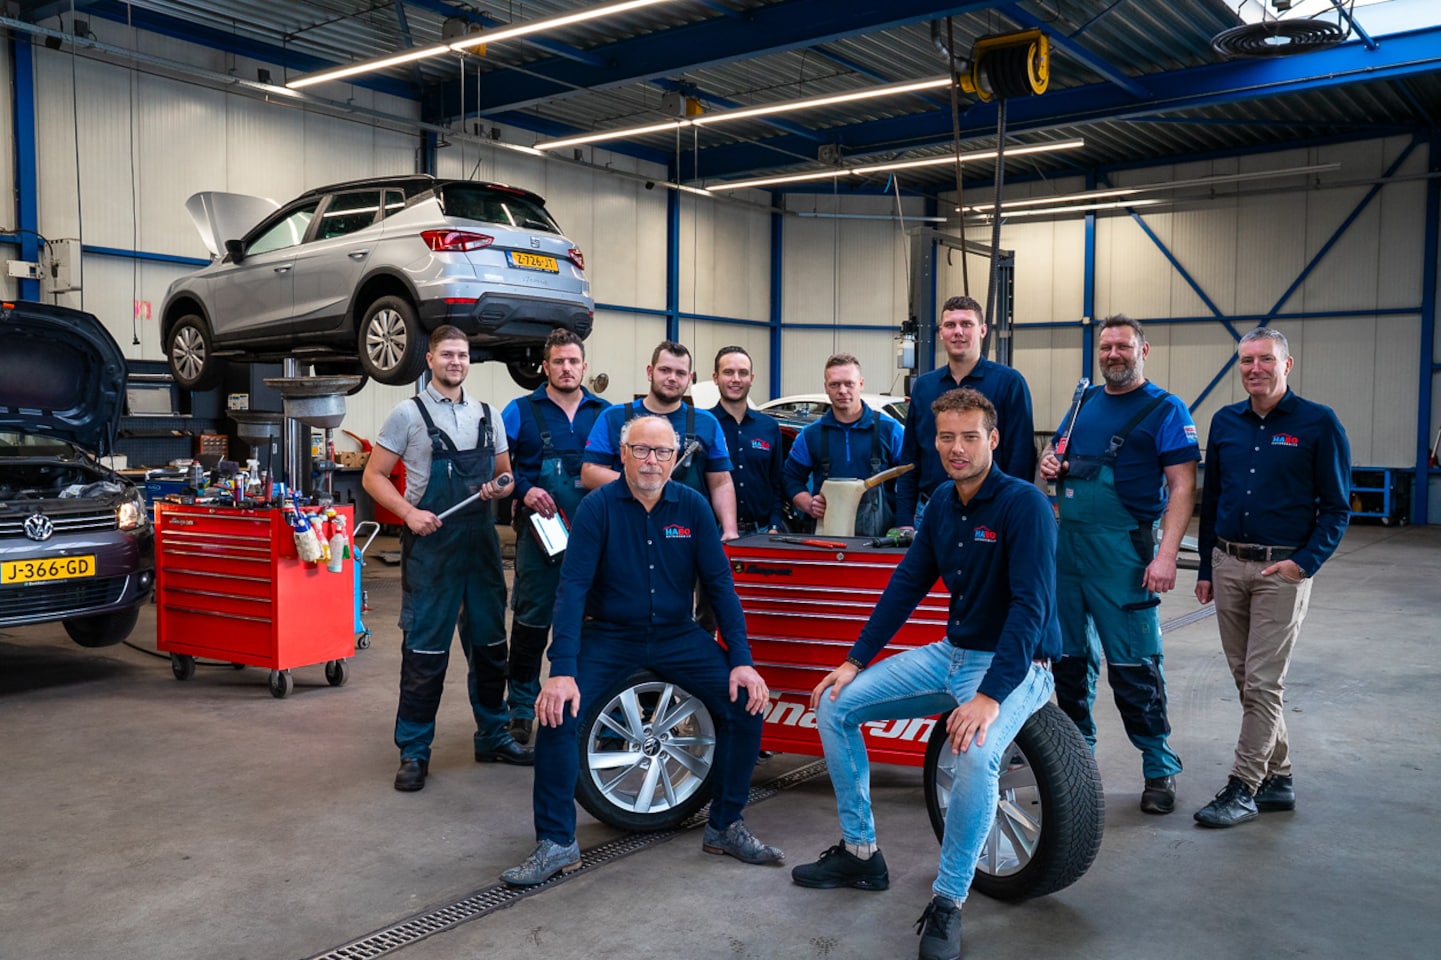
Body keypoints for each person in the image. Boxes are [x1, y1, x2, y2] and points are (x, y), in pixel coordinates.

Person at [791, 388, 1059, 960]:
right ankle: (861, 853)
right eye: (946, 437)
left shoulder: (1025, 506)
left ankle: (948, 900)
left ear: (993, 439)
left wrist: (989, 697)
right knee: (835, 705)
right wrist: (855, 660)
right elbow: (907, 583)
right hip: (952, 653)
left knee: (976, 757)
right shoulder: (941, 501)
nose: (956, 448)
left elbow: (1030, 608)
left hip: (1016, 664)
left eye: (969, 437)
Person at [501, 415, 782, 885]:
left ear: (675, 458)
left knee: (746, 702)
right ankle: (556, 842)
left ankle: (725, 825)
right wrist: (562, 670)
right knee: (556, 713)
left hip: (677, 635)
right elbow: (572, 588)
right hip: (609, 636)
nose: (652, 461)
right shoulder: (597, 508)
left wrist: (742, 661)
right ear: (623, 455)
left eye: (662, 452)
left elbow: (720, 586)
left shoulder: (692, 507)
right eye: (642, 450)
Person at [1038, 315, 1198, 815]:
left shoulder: (1166, 408)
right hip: (1067, 550)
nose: (1113, 354)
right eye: (1106, 347)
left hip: (1123, 554)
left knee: (1134, 665)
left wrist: (1166, 554)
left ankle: (1159, 766)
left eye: (1123, 346)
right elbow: (1057, 454)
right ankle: (1077, 762)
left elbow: (1182, 486)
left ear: (1143, 350)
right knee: (1068, 662)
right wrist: (1049, 461)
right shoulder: (1083, 402)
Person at [1192, 328, 1350, 828]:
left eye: (1265, 360)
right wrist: (1207, 567)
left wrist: (1303, 564)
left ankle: (1244, 787)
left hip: (1280, 570)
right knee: (1247, 679)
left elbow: (1337, 507)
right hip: (1227, 562)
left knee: (1262, 683)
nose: (1254, 369)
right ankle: (1278, 778)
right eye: (1246, 361)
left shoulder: (1318, 423)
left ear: (1287, 364)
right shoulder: (1225, 422)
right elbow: (1211, 499)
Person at [363, 325, 531, 793]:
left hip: (480, 546)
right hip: (431, 546)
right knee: (425, 652)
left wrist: (500, 487)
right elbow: (374, 476)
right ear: (430, 359)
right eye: (448, 354)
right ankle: (414, 750)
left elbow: (506, 477)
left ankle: (493, 734)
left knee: (491, 646)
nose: (456, 362)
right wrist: (408, 513)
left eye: (462, 355)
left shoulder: (488, 414)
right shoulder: (407, 413)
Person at [500, 329, 610, 746]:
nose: (567, 368)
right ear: (545, 367)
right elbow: (497, 467)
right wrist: (524, 489)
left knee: (594, 624)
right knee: (531, 623)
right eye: (559, 361)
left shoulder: (605, 413)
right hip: (540, 538)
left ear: (584, 366)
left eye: (573, 361)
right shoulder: (519, 411)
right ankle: (521, 709)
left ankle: (588, 708)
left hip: (597, 539)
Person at [896, 295, 1036, 529]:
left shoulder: (1009, 383)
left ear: (982, 330)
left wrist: (1012, 512)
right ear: (941, 333)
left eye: (966, 324)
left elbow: (1021, 457)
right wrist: (903, 520)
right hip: (930, 512)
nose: (958, 332)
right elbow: (910, 457)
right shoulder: (924, 387)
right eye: (950, 325)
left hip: (991, 512)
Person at [581, 340, 739, 540]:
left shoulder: (707, 423)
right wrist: (646, 482)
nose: (672, 378)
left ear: (689, 378)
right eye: (665, 370)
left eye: (680, 373)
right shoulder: (613, 417)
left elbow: (721, 482)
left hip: (687, 534)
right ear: (650, 372)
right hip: (626, 531)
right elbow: (589, 474)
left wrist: (730, 530)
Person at [782, 353, 904, 538]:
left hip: (879, 541)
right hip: (827, 538)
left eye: (849, 383)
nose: (842, 390)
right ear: (826, 387)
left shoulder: (890, 430)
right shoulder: (810, 435)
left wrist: (905, 523)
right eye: (835, 384)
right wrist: (808, 503)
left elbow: (909, 479)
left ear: (861, 384)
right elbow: (790, 478)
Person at [710, 345, 785, 535]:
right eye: (728, 372)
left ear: (751, 379)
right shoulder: (705, 424)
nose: (736, 379)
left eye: (742, 373)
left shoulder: (769, 427)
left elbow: (777, 482)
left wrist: (774, 525)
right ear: (715, 378)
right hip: (714, 533)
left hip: (761, 532)